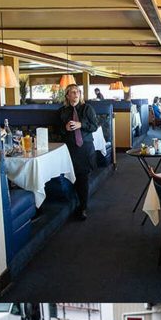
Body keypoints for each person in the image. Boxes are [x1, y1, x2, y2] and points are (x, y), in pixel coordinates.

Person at [57, 83, 100, 220]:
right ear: (67, 95)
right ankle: (77, 202)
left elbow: (95, 126)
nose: (75, 95)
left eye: (77, 92)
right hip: (69, 148)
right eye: (72, 92)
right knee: (72, 176)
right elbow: (56, 130)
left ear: (80, 95)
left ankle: (83, 207)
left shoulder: (87, 108)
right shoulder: (62, 111)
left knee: (83, 177)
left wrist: (81, 125)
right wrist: (65, 128)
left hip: (85, 147)